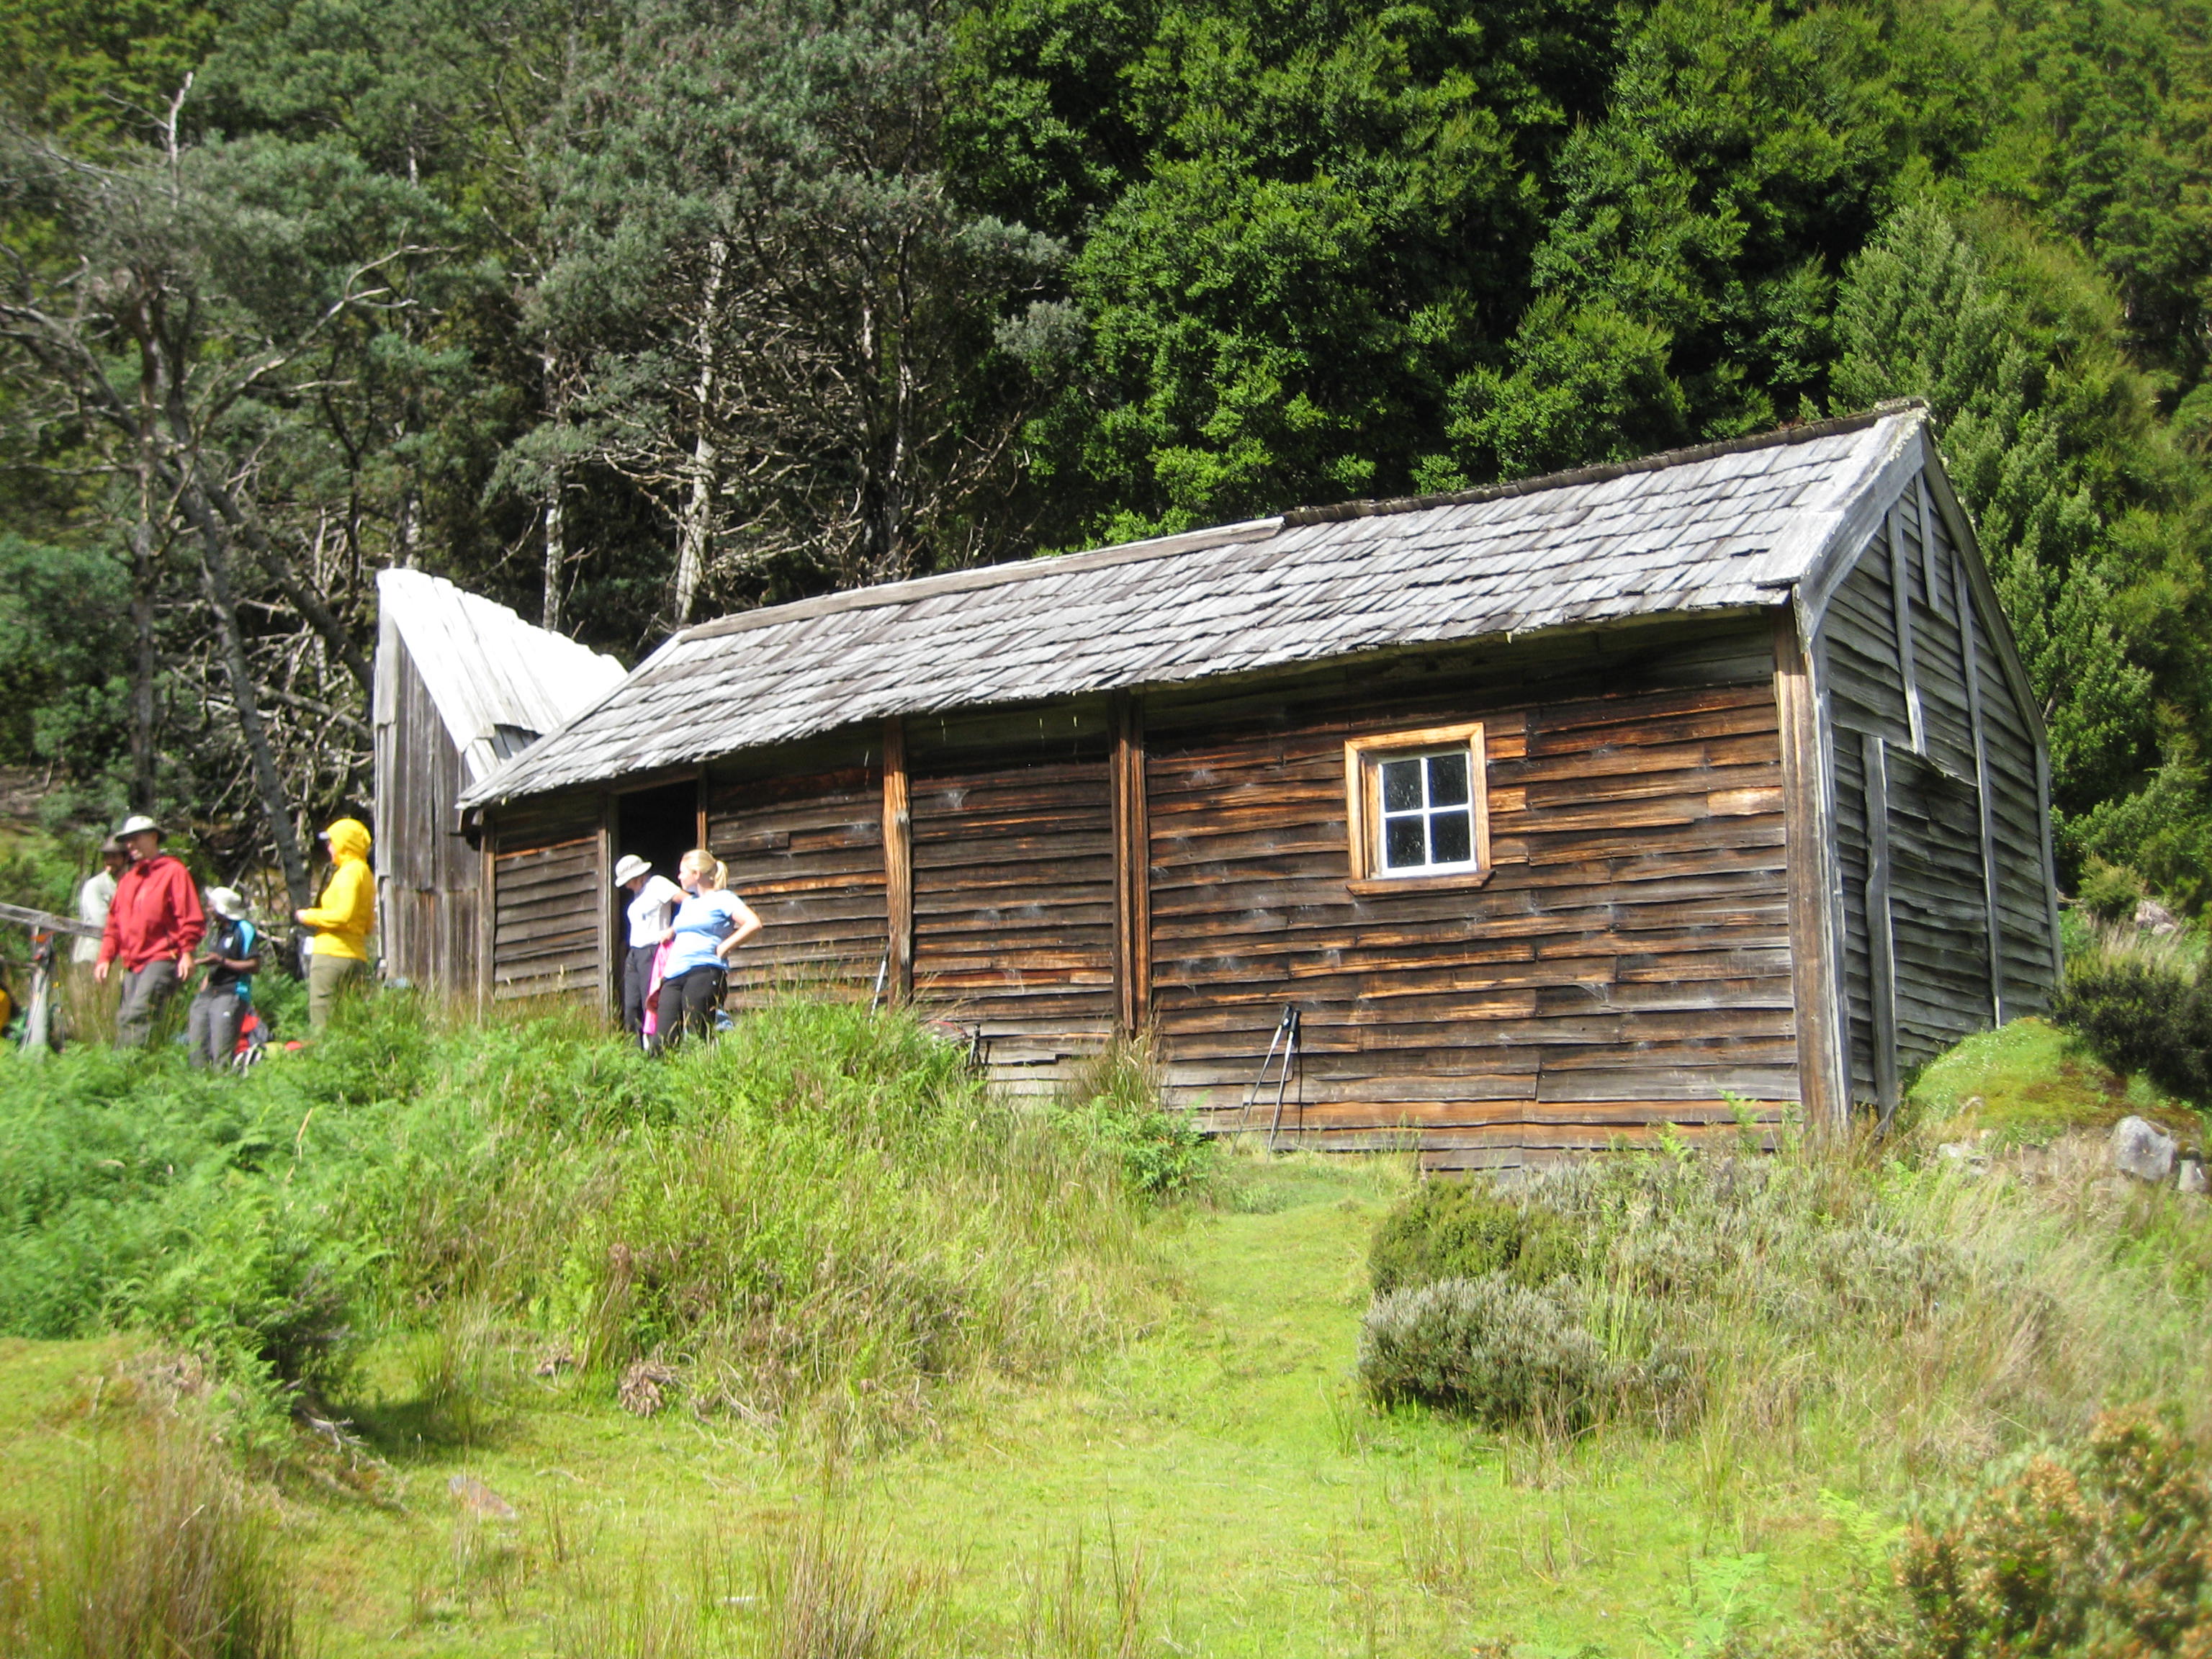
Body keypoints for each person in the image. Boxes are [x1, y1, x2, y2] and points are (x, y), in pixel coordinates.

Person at [94, 814, 204, 1048]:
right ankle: (130, 1069)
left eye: (135, 839)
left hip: (163, 957)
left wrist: (186, 952)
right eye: (127, 841)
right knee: (125, 1017)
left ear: (154, 837)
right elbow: (114, 924)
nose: (130, 846)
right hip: (133, 962)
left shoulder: (173, 872)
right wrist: (105, 957)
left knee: (139, 1014)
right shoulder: (128, 880)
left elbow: (189, 916)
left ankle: (128, 1069)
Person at [658, 848, 761, 1044]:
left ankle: (703, 1072)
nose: (679, 876)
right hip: (674, 974)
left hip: (704, 970)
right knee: (663, 1039)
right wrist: (662, 975)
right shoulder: (688, 903)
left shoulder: (723, 898)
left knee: (697, 1035)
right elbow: (682, 934)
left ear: (696, 874)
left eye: (682, 871)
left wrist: (725, 947)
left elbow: (753, 923)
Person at [295, 817, 376, 1032]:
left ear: (344, 844)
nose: (329, 848)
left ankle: (322, 1062)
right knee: (351, 1023)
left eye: (332, 842)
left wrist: (308, 916)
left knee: (322, 1019)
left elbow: (343, 915)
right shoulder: (366, 874)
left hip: (332, 956)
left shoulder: (349, 873)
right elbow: (368, 924)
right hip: (357, 955)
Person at [187, 886, 262, 1070]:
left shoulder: (243, 929)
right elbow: (213, 964)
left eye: (212, 905)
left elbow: (254, 966)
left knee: (221, 1048)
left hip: (232, 993)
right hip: (209, 992)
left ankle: (223, 1086)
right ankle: (198, 1085)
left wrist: (221, 961)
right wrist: (202, 990)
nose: (208, 908)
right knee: (197, 1046)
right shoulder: (216, 931)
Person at [614, 854, 682, 1040]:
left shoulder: (658, 884)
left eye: (628, 881)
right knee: (630, 1007)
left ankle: (658, 1050)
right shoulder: (638, 893)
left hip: (652, 951)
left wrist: (674, 929)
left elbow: (688, 901)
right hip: (634, 953)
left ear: (639, 875)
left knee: (650, 1002)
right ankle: (634, 1055)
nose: (627, 886)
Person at [72, 837, 127, 966]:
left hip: (117, 956)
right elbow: (101, 920)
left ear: (125, 859)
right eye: (106, 857)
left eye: (114, 857)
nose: (109, 861)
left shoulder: (128, 885)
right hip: (92, 954)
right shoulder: (95, 885)